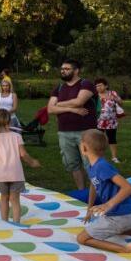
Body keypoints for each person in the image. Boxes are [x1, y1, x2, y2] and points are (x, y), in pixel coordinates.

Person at [0, 109, 40, 223]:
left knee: (4, 198)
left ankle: (4, 222)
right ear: (8, 122)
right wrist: (32, 162)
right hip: (16, 174)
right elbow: (23, 154)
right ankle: (16, 222)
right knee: (15, 200)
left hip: (1, 175)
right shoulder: (17, 136)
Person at [47, 59, 97, 190]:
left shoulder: (86, 84)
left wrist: (59, 104)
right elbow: (50, 109)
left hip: (85, 132)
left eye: (67, 69)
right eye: (62, 69)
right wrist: (71, 109)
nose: (63, 71)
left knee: (90, 164)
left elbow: (79, 101)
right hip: (64, 132)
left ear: (76, 71)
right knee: (72, 164)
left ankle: (98, 193)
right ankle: (82, 193)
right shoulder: (59, 88)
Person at [95, 78, 123, 164]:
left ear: (106, 86)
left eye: (100, 85)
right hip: (98, 121)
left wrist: (115, 99)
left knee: (112, 139)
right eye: (96, 86)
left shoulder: (112, 93)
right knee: (98, 139)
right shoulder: (95, 95)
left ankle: (114, 157)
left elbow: (121, 102)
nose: (98, 87)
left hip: (111, 121)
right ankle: (99, 157)